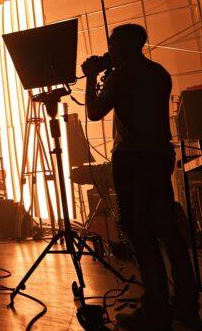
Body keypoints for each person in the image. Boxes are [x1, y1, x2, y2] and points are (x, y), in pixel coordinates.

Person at [82, 24, 201, 331]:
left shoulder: (123, 75)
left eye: (111, 46)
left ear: (120, 46)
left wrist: (92, 78)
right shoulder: (159, 72)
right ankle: (187, 304)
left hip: (133, 159)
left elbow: (94, 112)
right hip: (159, 155)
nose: (108, 52)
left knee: (139, 233)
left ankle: (155, 307)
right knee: (168, 231)